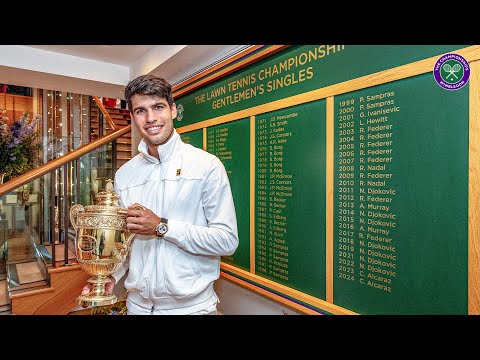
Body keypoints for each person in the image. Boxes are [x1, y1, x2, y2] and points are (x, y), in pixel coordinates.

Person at [82, 74, 239, 314]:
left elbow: (226, 240)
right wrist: (111, 277)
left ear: (173, 110)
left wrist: (162, 227)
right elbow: (125, 244)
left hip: (192, 309)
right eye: (141, 110)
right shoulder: (125, 174)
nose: (151, 118)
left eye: (158, 107)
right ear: (133, 117)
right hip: (138, 308)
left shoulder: (206, 166)